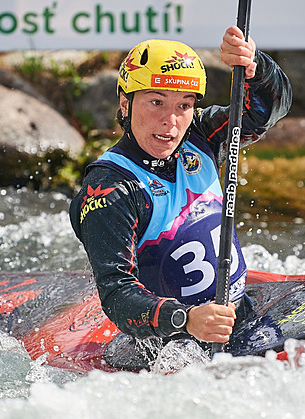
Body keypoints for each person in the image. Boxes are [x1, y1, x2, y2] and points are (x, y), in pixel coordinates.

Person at [69, 26, 291, 347]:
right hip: (174, 345)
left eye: (183, 106)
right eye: (156, 102)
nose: (170, 121)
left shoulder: (200, 137)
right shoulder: (109, 189)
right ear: (125, 103)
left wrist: (255, 66)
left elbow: (267, 111)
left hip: (242, 313)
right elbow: (117, 293)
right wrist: (185, 319)